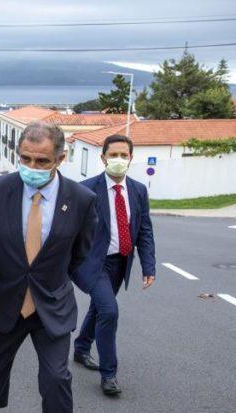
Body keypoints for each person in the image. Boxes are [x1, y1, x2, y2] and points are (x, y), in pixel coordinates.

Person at [0, 122, 97, 413]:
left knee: (57, 380)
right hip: (4, 299)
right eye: (25, 158)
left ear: (60, 158)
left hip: (51, 306)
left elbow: (81, 252)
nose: (31, 165)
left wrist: (55, 280)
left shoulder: (80, 200)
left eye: (41, 160)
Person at [72, 134, 156, 396]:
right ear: (103, 157)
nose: (118, 159)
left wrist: (148, 266)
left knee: (99, 309)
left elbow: (144, 230)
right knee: (109, 311)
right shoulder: (85, 189)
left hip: (121, 262)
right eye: (113, 155)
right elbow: (70, 231)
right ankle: (109, 375)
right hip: (93, 264)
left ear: (131, 159)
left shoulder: (139, 190)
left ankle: (82, 348)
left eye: (124, 155)